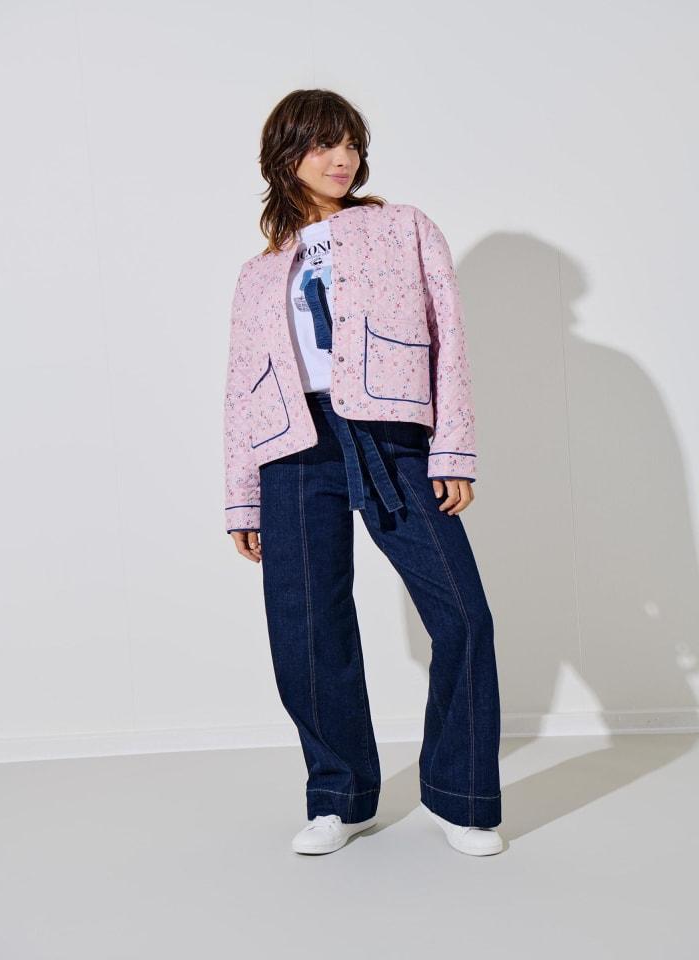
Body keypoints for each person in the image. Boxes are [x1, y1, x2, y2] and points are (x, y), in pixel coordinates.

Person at [223, 88, 504, 857]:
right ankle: (339, 796)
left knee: (462, 613)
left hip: (387, 429)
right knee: (307, 626)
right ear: (286, 157)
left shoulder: (402, 227)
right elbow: (241, 387)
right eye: (323, 144)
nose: (341, 158)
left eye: (350, 144)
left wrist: (451, 449)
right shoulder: (258, 272)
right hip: (292, 445)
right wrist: (242, 499)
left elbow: (450, 335)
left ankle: (462, 797)